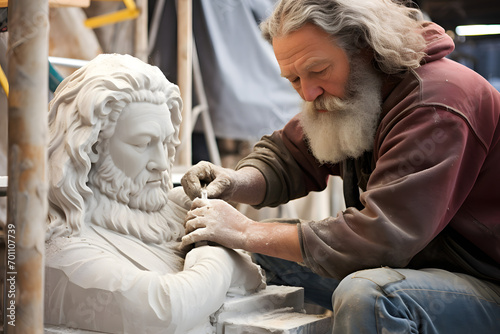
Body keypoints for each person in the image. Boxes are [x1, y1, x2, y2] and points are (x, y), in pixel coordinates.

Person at [180, 0, 500, 333]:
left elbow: (381, 238)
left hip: (486, 281)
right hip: (424, 265)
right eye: (293, 79)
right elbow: (288, 154)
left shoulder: (436, 103)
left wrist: (246, 231)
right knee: (259, 256)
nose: (308, 92)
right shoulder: (353, 90)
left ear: (366, 48)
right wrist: (234, 181)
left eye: (318, 71)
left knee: (369, 296)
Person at [44, 53, 265, 334]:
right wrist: (217, 259)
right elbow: (165, 310)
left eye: (164, 142)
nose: (161, 162)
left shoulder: (177, 210)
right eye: (143, 143)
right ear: (94, 147)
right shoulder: (63, 247)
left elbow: (253, 275)